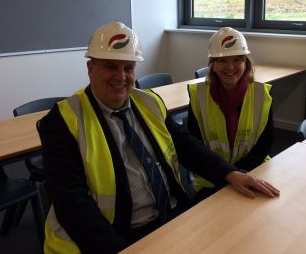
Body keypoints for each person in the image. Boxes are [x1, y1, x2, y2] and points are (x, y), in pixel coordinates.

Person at [38, 22, 279, 254]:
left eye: (128, 67)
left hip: (167, 217)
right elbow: (72, 204)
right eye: (111, 66)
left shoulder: (148, 102)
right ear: (91, 68)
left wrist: (230, 173)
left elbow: (187, 146)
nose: (121, 76)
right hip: (116, 233)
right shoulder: (62, 122)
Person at [187, 27, 274, 200]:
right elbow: (194, 142)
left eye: (237, 60)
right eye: (222, 61)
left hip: (253, 172)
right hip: (212, 177)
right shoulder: (199, 96)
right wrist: (227, 175)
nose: (230, 67)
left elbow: (265, 143)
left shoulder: (261, 94)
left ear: (246, 63)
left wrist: (238, 173)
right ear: (212, 65)